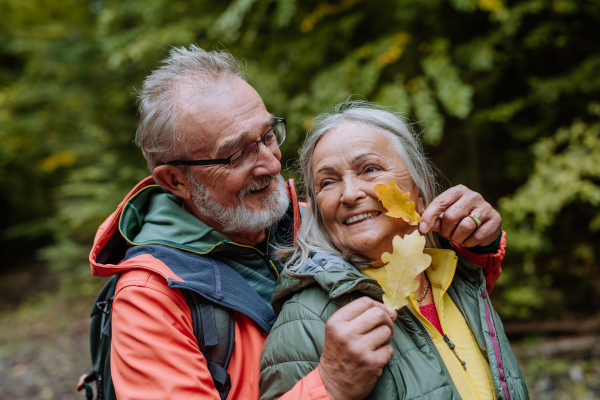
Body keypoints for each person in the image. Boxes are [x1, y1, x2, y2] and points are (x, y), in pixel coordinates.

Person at [90, 45, 508, 399]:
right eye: (237, 154)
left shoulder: (315, 219)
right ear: (175, 179)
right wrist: (329, 384)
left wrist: (475, 242)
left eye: (268, 135)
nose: (271, 163)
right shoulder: (151, 300)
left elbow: (442, 304)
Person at [259, 101, 529, 400]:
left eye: (370, 169)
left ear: (418, 184)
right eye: (328, 182)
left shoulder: (458, 274)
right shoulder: (305, 321)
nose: (349, 194)